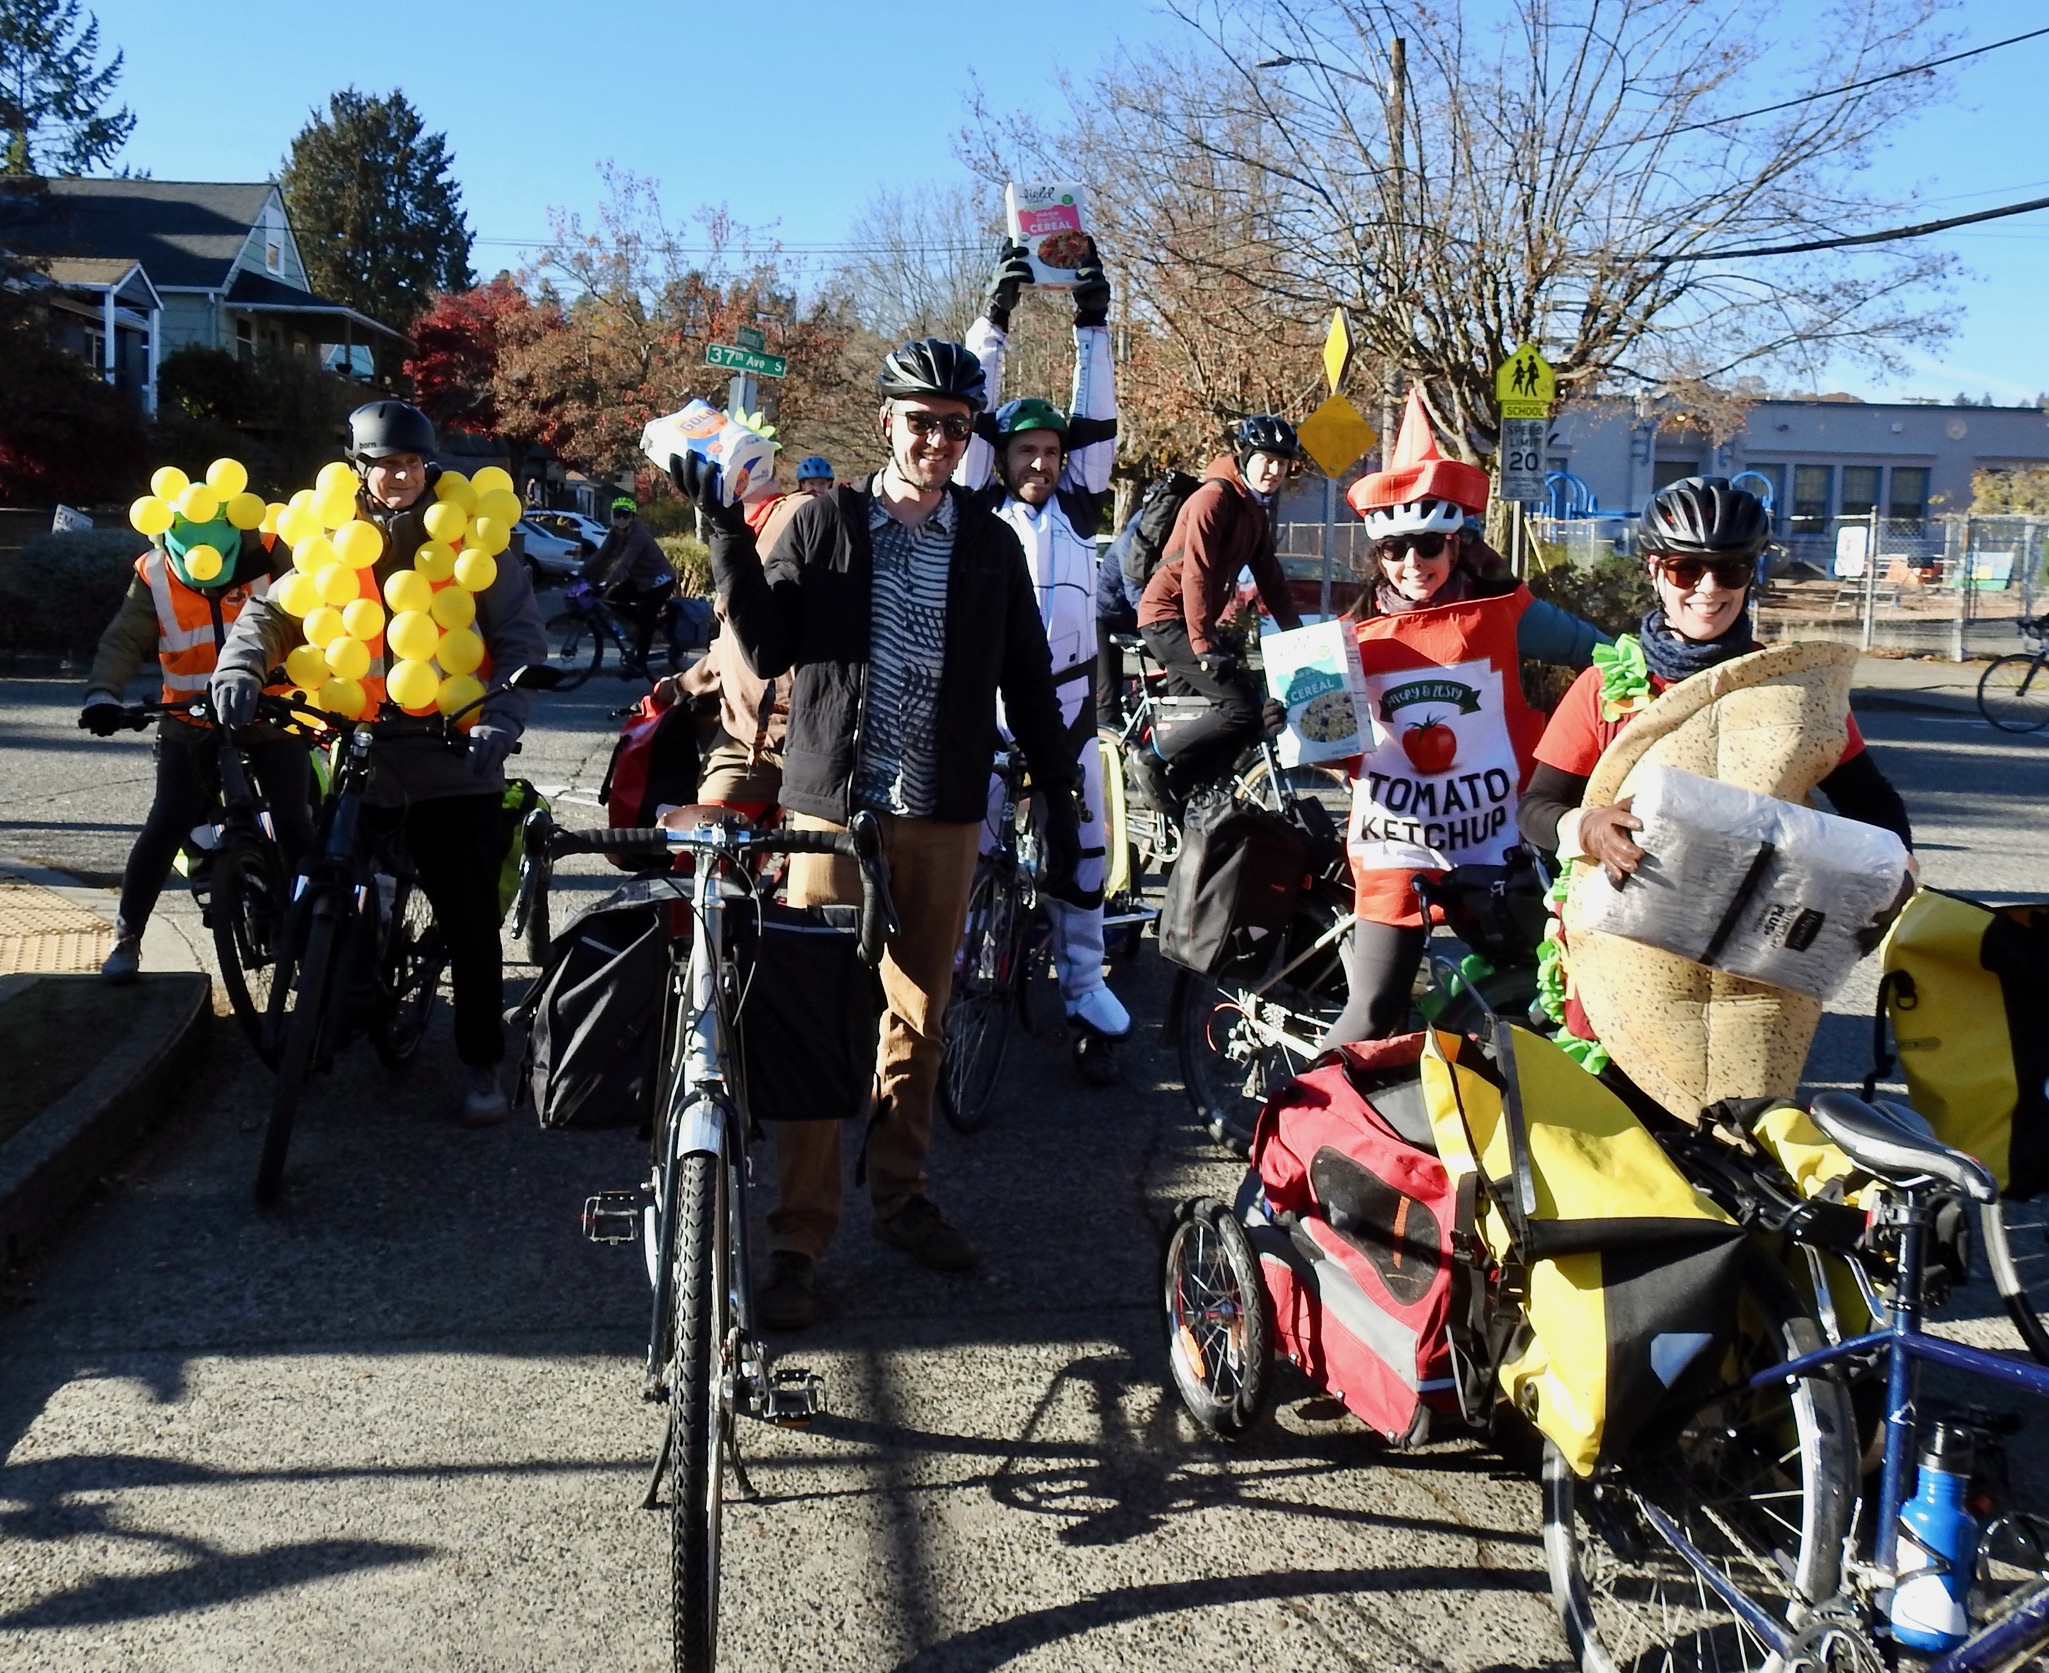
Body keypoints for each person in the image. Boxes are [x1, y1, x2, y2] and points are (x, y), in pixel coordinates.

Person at [669, 336, 1082, 1331]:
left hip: (942, 806)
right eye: (922, 420)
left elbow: (1026, 673)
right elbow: (765, 648)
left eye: (957, 424)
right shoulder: (825, 522)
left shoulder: (988, 541)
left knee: (919, 1015)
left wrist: (1059, 796)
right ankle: (798, 1237)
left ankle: (900, 1193)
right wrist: (727, 525)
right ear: (886, 422)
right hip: (829, 809)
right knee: (817, 1018)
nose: (940, 438)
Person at [212, 400, 550, 1126]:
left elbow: (522, 644)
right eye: (381, 463)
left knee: (466, 918)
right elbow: (272, 614)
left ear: (426, 466)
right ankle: (330, 1020)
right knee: (329, 890)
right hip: (363, 752)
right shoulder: (334, 535)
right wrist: (239, 668)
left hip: (454, 756)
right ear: (357, 467)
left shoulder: (471, 544)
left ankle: (482, 1057)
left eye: (408, 463)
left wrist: (499, 720)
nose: (396, 476)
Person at [1517, 475, 1911, 1081]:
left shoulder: (1792, 689)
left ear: (1752, 574)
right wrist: (1587, 826)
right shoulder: (1604, 686)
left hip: (1750, 958)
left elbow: (1873, 802)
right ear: (1654, 570)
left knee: (1735, 1140)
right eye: (1685, 570)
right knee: (1618, 1134)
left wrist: (1894, 872)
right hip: (1627, 958)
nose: (1708, 589)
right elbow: (1536, 808)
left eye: (1729, 570)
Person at [1321, 390, 1606, 1045]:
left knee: (1553, 977)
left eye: (1426, 546)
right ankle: (1299, 1129)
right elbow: (1327, 749)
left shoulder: (1504, 611)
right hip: (1397, 842)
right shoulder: (1347, 636)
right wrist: (1308, 726)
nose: (1411, 565)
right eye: (1393, 550)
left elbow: (1600, 657)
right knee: (1370, 1011)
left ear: (1455, 544)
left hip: (1498, 835)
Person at [955, 234, 1130, 1084]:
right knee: (970, 843)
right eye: (1023, 450)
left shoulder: (1079, 510)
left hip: (1066, 705)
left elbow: (1096, 417)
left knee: (1084, 844)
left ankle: (1084, 985)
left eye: (1050, 452)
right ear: (1002, 455)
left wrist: (1091, 323)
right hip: (987, 705)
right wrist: (997, 316)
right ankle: (954, 975)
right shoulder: (982, 504)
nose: (1038, 461)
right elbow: (968, 412)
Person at [81, 485, 314, 982]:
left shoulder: (275, 553)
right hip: (191, 718)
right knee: (167, 822)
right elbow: (125, 637)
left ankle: (315, 931)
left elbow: (310, 615)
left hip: (270, 711)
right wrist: (102, 693)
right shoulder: (154, 574)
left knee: (296, 822)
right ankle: (127, 938)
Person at [1134, 415, 1306, 807]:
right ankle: (1149, 759)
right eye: (1266, 459)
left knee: (1212, 716)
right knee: (1242, 707)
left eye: (1283, 463)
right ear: (1244, 456)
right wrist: (1202, 644)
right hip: (1166, 617)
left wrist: (1301, 637)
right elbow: (1196, 572)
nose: (1275, 470)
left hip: (1195, 622)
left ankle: (1184, 791)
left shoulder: (1255, 511)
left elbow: (1271, 578)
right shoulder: (1214, 499)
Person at [583, 495, 672, 671]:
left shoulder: (638, 535)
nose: (621, 519)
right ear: (612, 516)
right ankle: (643, 625)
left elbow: (625, 563)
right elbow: (601, 554)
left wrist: (606, 583)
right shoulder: (614, 533)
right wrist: (578, 571)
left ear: (632, 517)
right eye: (618, 515)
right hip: (641, 580)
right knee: (614, 598)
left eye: (625, 515)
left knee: (646, 620)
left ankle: (640, 664)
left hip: (660, 579)